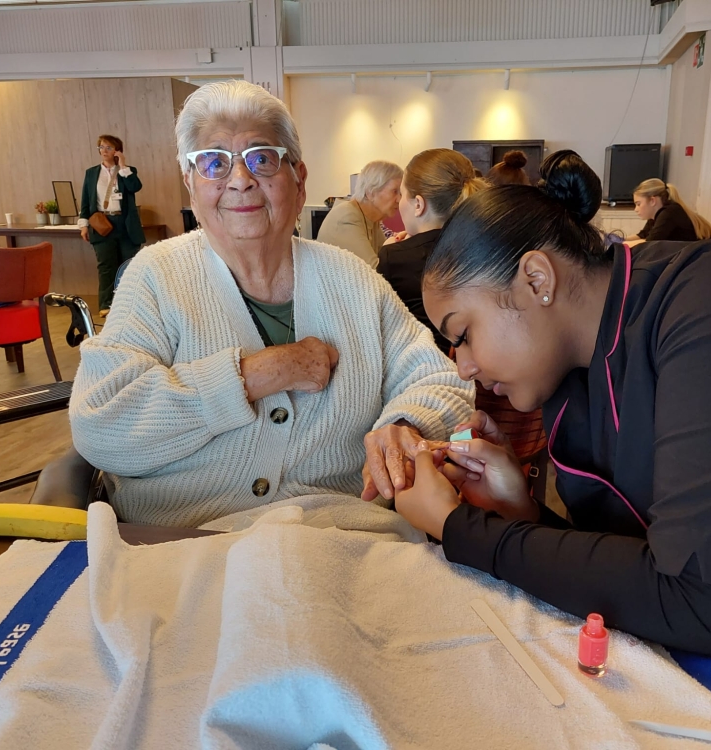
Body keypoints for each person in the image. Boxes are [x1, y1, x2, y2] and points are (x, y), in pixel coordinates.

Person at [394, 149, 711, 656]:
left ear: (536, 279)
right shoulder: (571, 374)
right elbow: (636, 570)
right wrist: (516, 510)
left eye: (462, 334)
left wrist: (459, 528)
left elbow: (702, 603)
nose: (462, 366)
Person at [69, 80, 473, 528]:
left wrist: (406, 423)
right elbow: (101, 425)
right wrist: (258, 374)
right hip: (183, 544)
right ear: (191, 185)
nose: (240, 180)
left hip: (344, 540)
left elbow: (442, 380)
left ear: (298, 181)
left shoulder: (351, 278)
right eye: (214, 163)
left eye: (262, 159)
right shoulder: (157, 277)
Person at [377, 149, 487, 354]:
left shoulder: (395, 257)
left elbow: (378, 329)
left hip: (420, 369)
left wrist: (390, 249)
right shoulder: (482, 247)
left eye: (401, 194)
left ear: (418, 204)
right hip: (477, 367)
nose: (398, 201)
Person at [77, 135, 145, 316]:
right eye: (101, 147)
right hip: (101, 223)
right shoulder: (91, 173)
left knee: (128, 266)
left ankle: (130, 304)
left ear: (117, 150)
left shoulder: (127, 171)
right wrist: (83, 225)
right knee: (106, 266)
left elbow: (135, 187)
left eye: (109, 147)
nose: (104, 151)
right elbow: (85, 201)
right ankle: (106, 305)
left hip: (124, 223)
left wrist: (122, 166)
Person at [316, 160, 402, 268]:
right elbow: (375, 271)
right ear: (370, 193)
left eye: (401, 193)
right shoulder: (347, 217)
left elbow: (385, 256)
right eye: (395, 191)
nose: (399, 199)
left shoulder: (373, 219)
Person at [626, 178, 711, 245]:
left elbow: (650, 243)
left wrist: (621, 246)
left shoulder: (669, 213)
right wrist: (619, 240)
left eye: (638, 204)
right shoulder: (656, 215)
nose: (636, 209)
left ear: (652, 201)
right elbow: (642, 236)